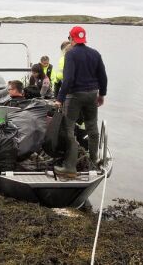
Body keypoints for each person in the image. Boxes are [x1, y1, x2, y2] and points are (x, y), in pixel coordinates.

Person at [54, 26, 107, 178]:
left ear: (71, 38)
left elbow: (68, 79)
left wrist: (59, 99)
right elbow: (103, 76)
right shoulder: (95, 53)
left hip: (74, 96)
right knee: (92, 127)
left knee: (68, 129)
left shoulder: (71, 54)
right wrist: (101, 94)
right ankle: (93, 160)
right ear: (84, 39)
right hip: (92, 95)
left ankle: (70, 167)